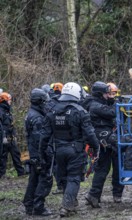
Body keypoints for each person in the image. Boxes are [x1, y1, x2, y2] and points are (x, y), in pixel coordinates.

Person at [39, 82, 100, 217]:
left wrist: (41, 152)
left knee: (64, 177)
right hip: (76, 151)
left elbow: (44, 136)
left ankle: (71, 203)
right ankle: (66, 206)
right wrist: (96, 147)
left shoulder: (52, 110)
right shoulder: (80, 111)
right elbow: (90, 133)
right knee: (74, 177)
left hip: (58, 151)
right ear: (76, 94)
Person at [83, 81, 126, 208]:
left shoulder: (98, 103)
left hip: (107, 139)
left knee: (113, 168)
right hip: (104, 141)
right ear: (100, 94)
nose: (109, 95)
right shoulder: (94, 105)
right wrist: (118, 104)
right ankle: (94, 195)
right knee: (104, 169)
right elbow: (111, 113)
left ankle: (99, 195)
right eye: (107, 93)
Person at [23, 88, 53, 216]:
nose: (46, 104)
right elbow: (39, 140)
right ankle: (38, 207)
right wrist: (43, 156)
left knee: (34, 179)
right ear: (40, 102)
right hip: (39, 154)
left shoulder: (31, 114)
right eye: (45, 102)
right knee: (45, 179)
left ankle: (29, 204)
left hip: (33, 153)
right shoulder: (37, 118)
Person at [0, 92, 25, 177]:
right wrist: (3, 137)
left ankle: (21, 172)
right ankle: (2, 174)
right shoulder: (1, 111)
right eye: (9, 100)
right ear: (4, 100)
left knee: (16, 154)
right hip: (4, 138)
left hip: (11, 137)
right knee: (3, 156)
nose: (10, 102)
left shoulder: (7, 111)